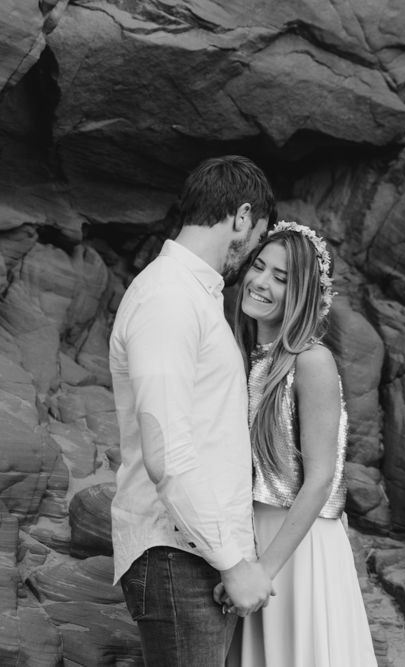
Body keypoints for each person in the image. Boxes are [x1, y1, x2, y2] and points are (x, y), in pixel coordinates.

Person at [109, 155, 278, 666]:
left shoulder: (196, 297)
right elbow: (166, 451)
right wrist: (231, 563)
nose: (252, 256)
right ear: (242, 218)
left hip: (193, 553)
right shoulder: (168, 299)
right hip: (175, 556)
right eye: (259, 236)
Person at [217, 221, 377, 666]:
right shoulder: (241, 356)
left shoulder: (312, 362)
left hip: (297, 547)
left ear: (302, 294)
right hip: (248, 539)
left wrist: (264, 569)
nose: (261, 282)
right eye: (259, 266)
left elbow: (321, 477)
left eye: (281, 278)